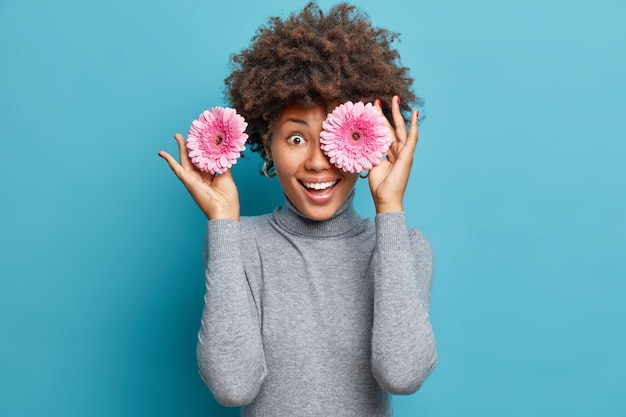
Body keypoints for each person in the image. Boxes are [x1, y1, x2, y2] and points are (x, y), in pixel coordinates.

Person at [158, 2, 437, 416]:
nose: (317, 162)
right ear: (267, 144)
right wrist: (222, 224)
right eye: (295, 138)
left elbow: (402, 374)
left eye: (332, 137)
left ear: (368, 142)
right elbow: (233, 385)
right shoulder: (240, 243)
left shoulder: (404, 246)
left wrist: (390, 208)